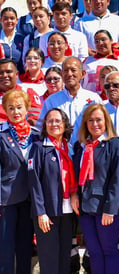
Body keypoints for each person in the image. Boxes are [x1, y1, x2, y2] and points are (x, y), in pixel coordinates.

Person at [71, 104, 119, 274]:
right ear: (85, 124)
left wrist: (110, 210)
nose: (95, 124)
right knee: (94, 253)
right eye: (91, 120)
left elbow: (117, 179)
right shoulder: (80, 147)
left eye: (99, 120)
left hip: (107, 209)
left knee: (108, 251)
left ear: (106, 122)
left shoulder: (114, 144)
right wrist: (74, 195)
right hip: (86, 208)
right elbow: (76, 175)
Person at [28, 108, 77, 274]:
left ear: (65, 124)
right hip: (47, 212)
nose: (54, 124)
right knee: (49, 258)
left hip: (68, 209)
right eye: (50, 121)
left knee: (65, 256)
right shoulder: (38, 148)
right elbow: (34, 182)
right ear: (44, 125)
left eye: (58, 120)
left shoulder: (70, 148)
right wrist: (40, 212)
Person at [0, 89, 41, 274]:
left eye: (19, 107)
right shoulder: (1, 135)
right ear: (5, 111)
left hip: (30, 199)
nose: (16, 112)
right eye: (11, 108)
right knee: (5, 246)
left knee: (25, 246)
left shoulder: (36, 135)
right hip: (6, 198)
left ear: (27, 109)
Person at [37, 56, 102, 128]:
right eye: (66, 70)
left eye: (73, 70)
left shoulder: (94, 99)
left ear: (83, 74)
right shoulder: (51, 101)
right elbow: (41, 128)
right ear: (62, 74)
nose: (69, 74)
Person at [0, 59, 42, 125]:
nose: (5, 75)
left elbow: (36, 120)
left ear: (16, 74)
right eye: (1, 73)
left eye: (8, 72)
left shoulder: (28, 92)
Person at [0, 8, 26, 73]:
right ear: (1, 21)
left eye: (12, 18)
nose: (9, 21)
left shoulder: (23, 38)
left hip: (19, 76)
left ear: (17, 20)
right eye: (5, 19)